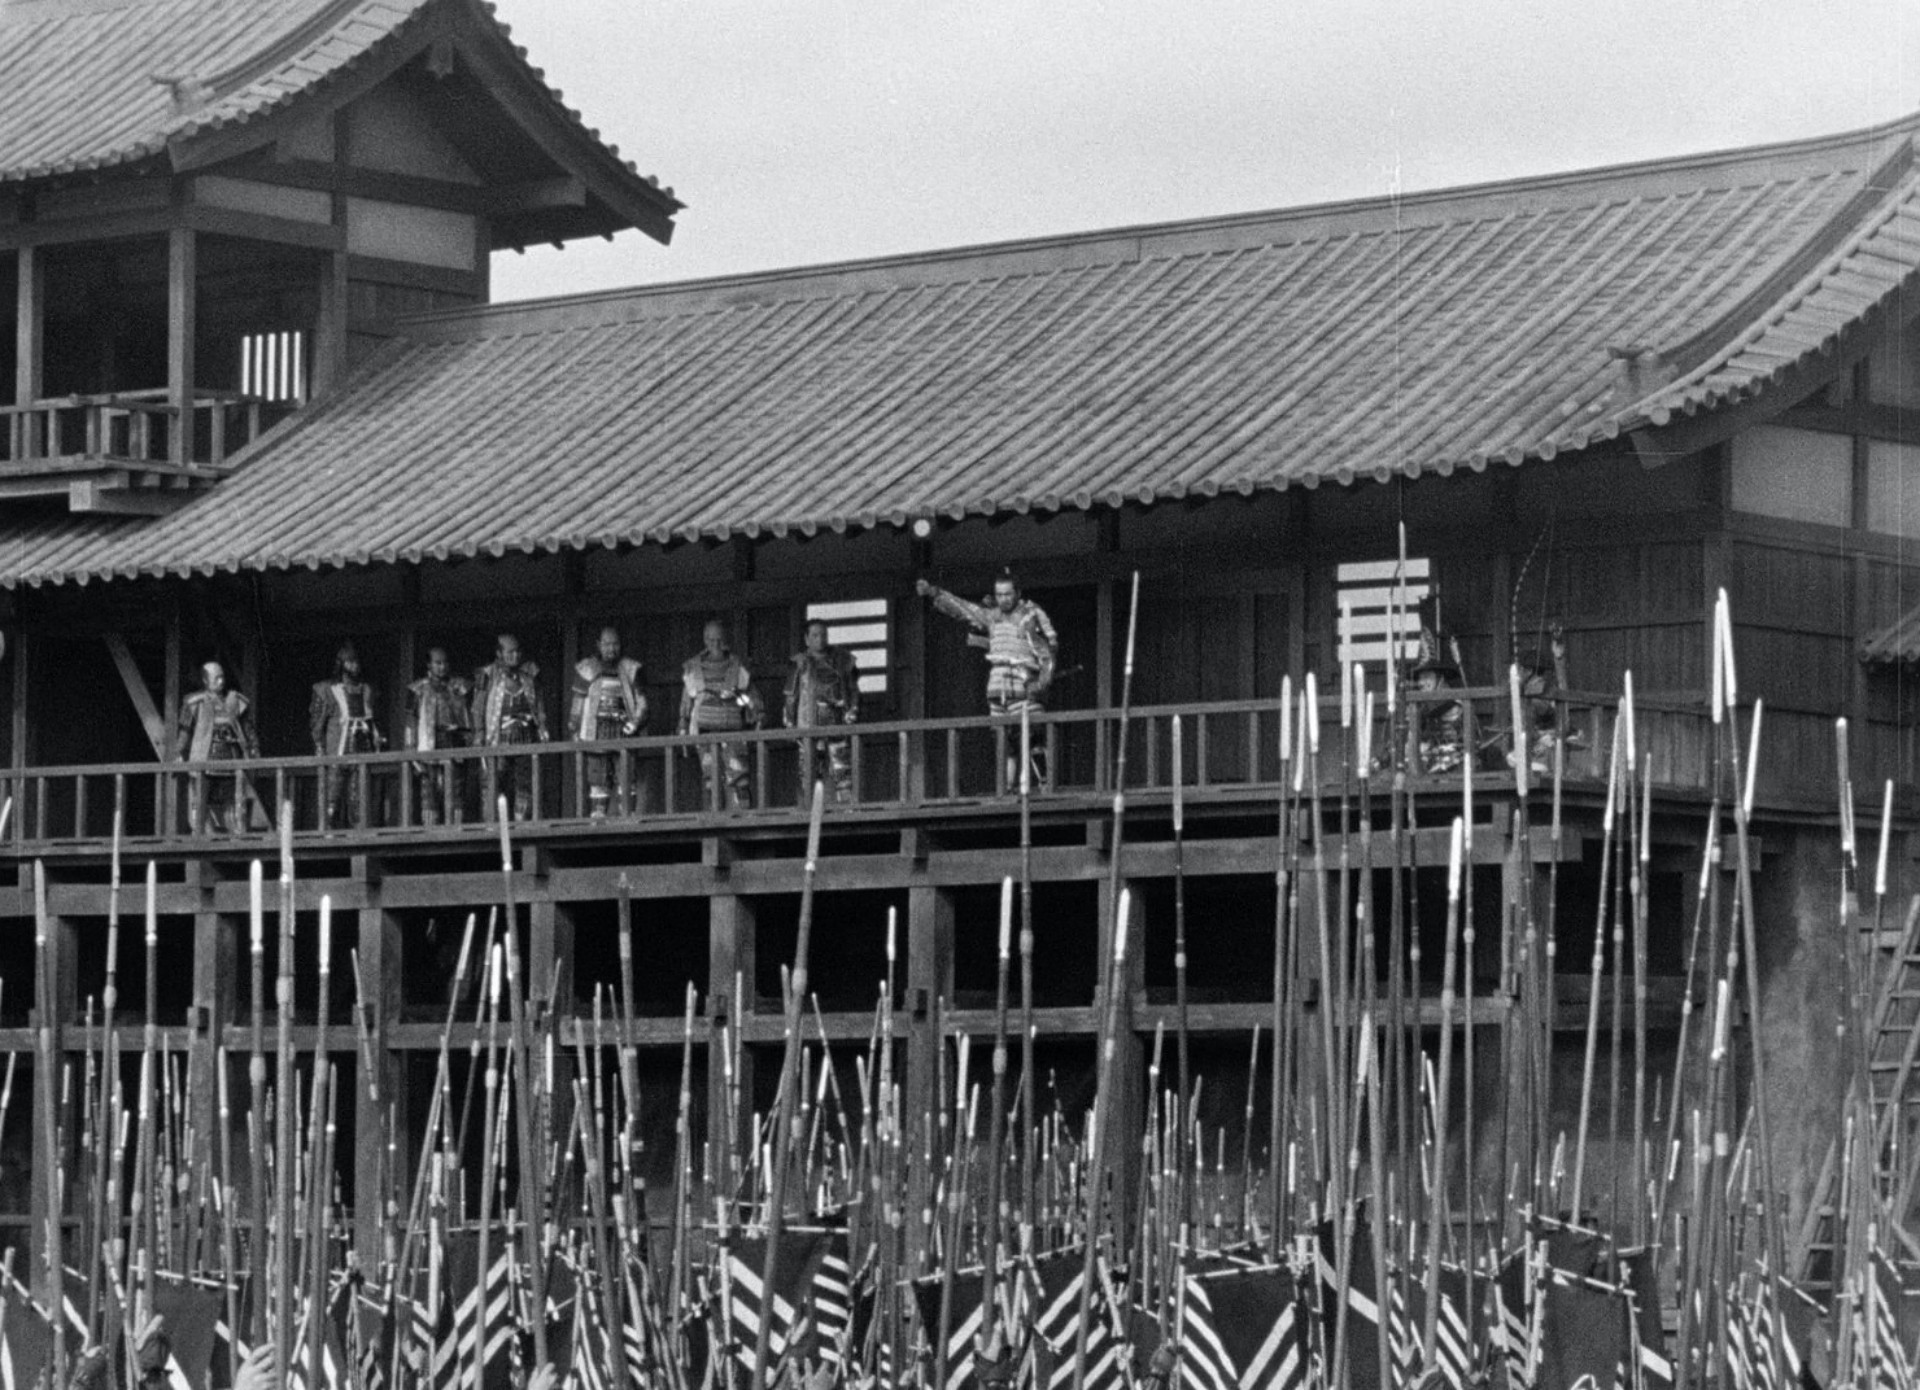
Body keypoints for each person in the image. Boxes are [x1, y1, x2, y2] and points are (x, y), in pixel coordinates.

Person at [916, 569, 1057, 789]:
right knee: (1005, 743)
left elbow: (1046, 653)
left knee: (1034, 738)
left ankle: (1044, 785)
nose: (1003, 599)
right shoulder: (991, 616)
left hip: (1023, 683)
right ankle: (1007, 789)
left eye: (1008, 594)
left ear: (1018, 593)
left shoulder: (1029, 616)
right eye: (999, 594)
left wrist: (1041, 683)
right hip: (997, 685)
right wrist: (935, 593)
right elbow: (963, 608)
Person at [679, 619, 762, 810]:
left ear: (725, 639)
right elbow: (686, 702)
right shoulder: (693, 667)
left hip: (733, 731)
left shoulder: (737, 666)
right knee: (710, 779)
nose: (715, 644)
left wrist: (757, 713)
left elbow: (752, 697)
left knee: (739, 777)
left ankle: (742, 815)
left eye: (719, 639)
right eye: (711, 639)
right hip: (704, 732)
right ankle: (712, 817)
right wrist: (683, 726)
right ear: (704, 640)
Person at [571, 626, 647, 818]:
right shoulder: (586, 668)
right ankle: (598, 819)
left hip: (624, 730)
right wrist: (574, 726)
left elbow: (642, 702)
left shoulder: (630, 668)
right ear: (598, 645)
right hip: (595, 731)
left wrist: (636, 722)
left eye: (615, 644)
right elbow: (578, 702)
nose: (611, 649)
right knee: (598, 778)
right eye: (607, 644)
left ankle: (627, 819)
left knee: (627, 776)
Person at [176, 660, 259, 834]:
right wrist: (179, 752)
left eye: (222, 677)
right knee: (199, 801)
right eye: (216, 678)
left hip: (231, 758)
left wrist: (254, 749)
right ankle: (202, 834)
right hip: (204, 759)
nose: (221, 681)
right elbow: (185, 731)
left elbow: (248, 729)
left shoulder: (235, 701)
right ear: (205, 680)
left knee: (234, 802)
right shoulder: (194, 702)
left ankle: (237, 834)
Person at [472, 633, 549, 820]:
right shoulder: (488, 674)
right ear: (499, 653)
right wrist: (479, 733)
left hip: (525, 736)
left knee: (526, 783)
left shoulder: (529, 673)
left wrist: (542, 726)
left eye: (517, 652)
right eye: (510, 652)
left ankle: (522, 823)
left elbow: (539, 704)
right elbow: (478, 707)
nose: (515, 656)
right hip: (498, 737)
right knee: (494, 781)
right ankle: (492, 824)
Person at [782, 618, 860, 804]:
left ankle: (846, 809)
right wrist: (789, 722)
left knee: (842, 771)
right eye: (815, 635)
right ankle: (808, 811)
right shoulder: (798, 663)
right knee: (808, 772)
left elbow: (853, 690)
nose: (820, 639)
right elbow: (791, 695)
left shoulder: (842, 660)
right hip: (808, 724)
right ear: (806, 639)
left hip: (836, 723)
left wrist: (853, 710)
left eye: (823, 635)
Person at [311, 641, 384, 829]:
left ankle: (358, 834)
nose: (354, 666)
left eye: (356, 662)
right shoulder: (327, 690)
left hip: (361, 751)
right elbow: (317, 725)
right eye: (350, 662)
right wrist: (319, 747)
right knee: (331, 801)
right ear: (341, 664)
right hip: (336, 752)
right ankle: (326, 833)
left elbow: (372, 721)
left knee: (359, 801)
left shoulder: (367, 690)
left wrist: (376, 739)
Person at [406, 646, 474, 825]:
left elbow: (469, 716)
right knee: (429, 789)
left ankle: (456, 828)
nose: (442, 667)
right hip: (428, 742)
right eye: (438, 663)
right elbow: (411, 721)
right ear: (429, 664)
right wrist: (410, 748)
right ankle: (431, 830)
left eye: (445, 663)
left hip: (454, 741)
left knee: (456, 788)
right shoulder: (418, 689)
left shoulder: (459, 686)